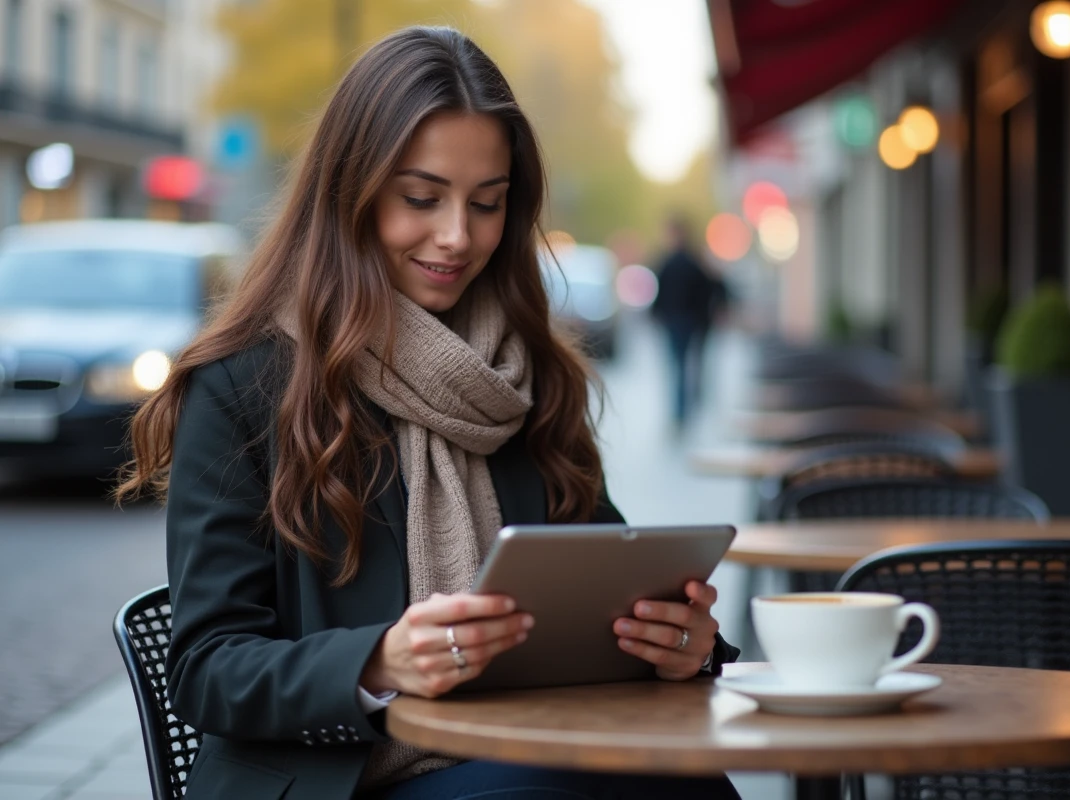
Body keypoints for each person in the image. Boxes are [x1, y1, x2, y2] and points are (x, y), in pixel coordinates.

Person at [117, 27, 740, 800]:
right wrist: (378, 661)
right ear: (351, 190)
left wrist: (682, 643)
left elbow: (604, 580)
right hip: (342, 777)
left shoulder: (530, 375)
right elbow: (206, 668)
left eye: (487, 204)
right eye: (421, 198)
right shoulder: (244, 383)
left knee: (686, 780)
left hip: (532, 747)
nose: (458, 236)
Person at [650, 216, 727, 430]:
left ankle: (681, 410)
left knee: (679, 366)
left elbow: (662, 293)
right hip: (686, 322)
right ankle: (685, 408)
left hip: (680, 322)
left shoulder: (675, 262)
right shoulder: (691, 262)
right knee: (684, 366)